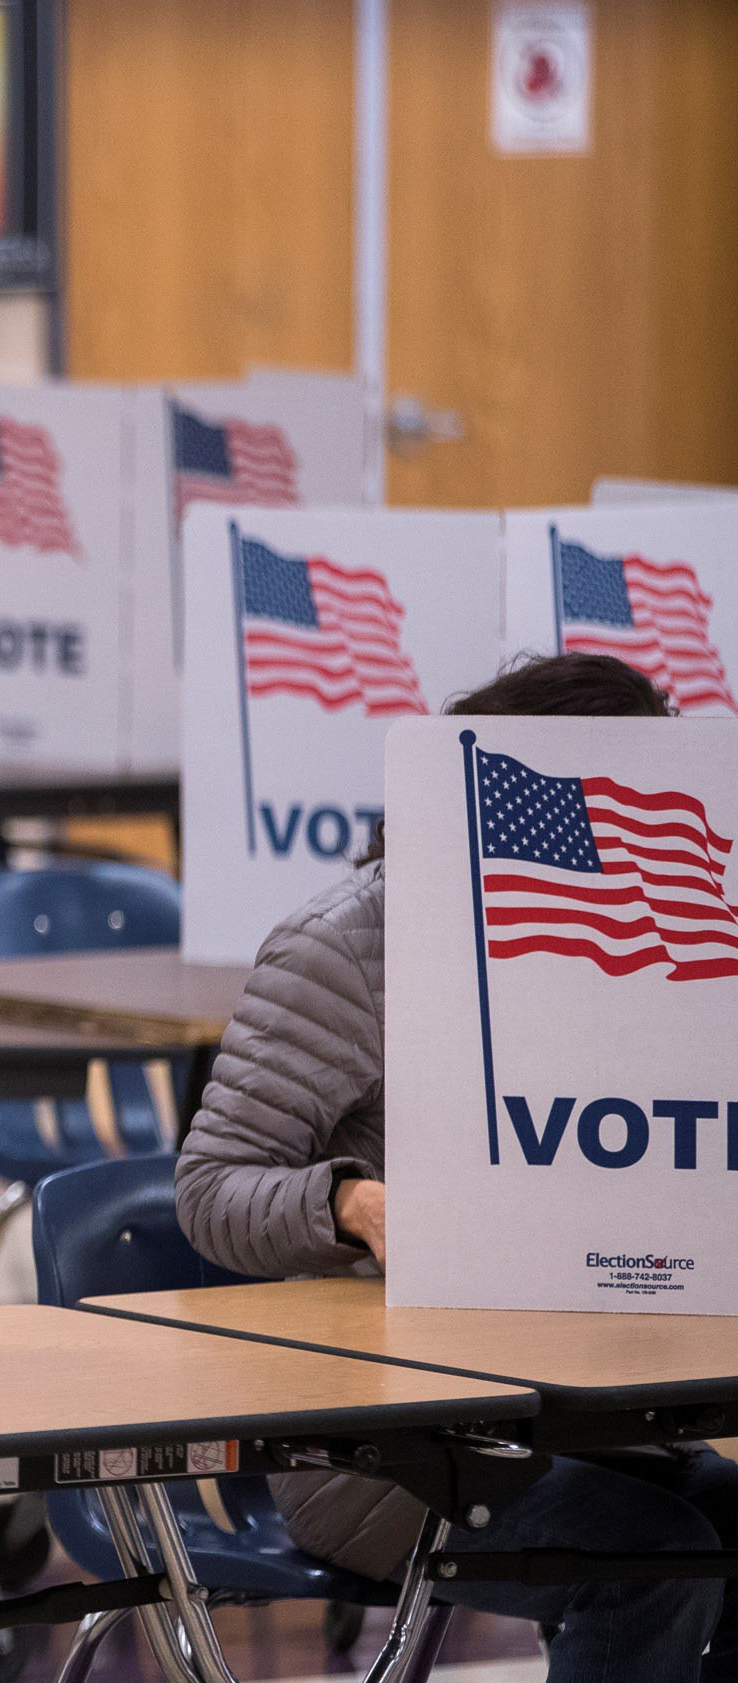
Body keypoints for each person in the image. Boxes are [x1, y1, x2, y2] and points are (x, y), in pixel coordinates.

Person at [177, 650, 738, 1683]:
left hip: (604, 1403)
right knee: (651, 1558)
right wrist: (349, 1203)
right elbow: (210, 1191)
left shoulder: (661, 944)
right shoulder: (349, 947)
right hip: (386, 1442)